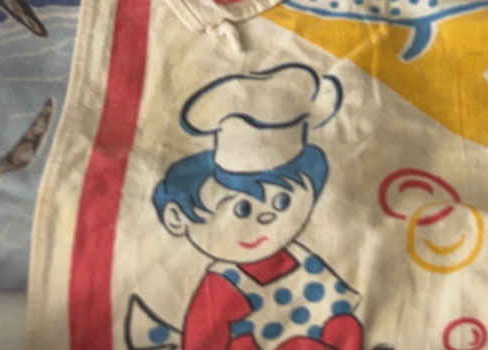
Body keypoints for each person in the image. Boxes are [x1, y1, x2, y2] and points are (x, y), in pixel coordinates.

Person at [149, 66, 364, 350]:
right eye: (242, 209)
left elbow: (337, 309)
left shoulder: (302, 258)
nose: (267, 216)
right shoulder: (225, 284)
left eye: (283, 202)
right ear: (178, 218)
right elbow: (204, 337)